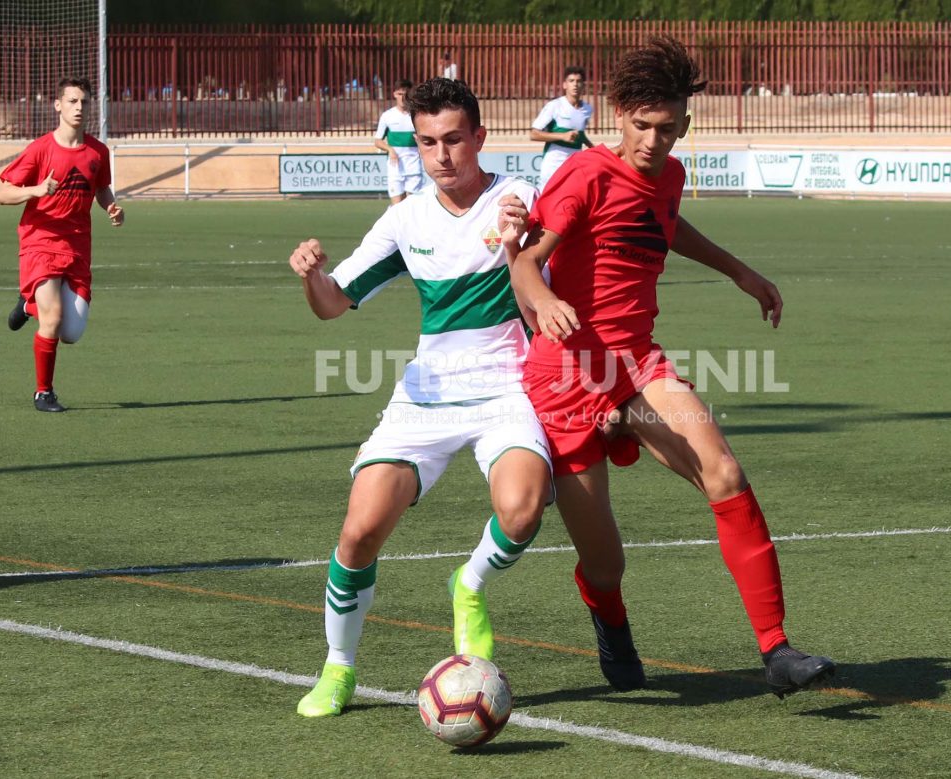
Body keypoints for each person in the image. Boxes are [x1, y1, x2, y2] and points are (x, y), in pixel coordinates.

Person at [508, 36, 836, 697]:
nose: (654, 141)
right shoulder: (581, 175)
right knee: (606, 560)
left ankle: (776, 649)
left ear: (685, 124)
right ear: (617, 114)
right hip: (567, 377)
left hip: (637, 365)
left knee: (724, 470)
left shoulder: (671, 175)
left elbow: (665, 223)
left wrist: (740, 271)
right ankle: (610, 618)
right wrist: (543, 298)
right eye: (642, 126)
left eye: (668, 128)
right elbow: (522, 258)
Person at [290, 78, 552, 718]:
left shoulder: (521, 197)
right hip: (426, 397)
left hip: (508, 390)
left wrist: (527, 240)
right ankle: (339, 669)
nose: (440, 155)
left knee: (521, 511)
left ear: (480, 138)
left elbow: (553, 271)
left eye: (453, 140)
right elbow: (332, 306)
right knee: (358, 533)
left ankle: (469, 583)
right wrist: (313, 274)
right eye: (427, 142)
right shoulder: (404, 219)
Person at [0, 76, 124, 413]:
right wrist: (34, 190)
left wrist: (111, 206)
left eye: (84, 102)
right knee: (52, 319)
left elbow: (100, 188)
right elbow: (3, 193)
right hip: (40, 240)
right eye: (72, 101)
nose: (79, 107)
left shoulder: (98, 151)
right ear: (58, 105)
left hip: (78, 246)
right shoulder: (40, 149)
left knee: (70, 332)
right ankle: (44, 393)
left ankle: (26, 307)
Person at [530, 66, 594, 191]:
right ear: (565, 85)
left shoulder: (587, 109)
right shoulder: (555, 106)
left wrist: (594, 148)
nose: (575, 84)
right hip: (553, 164)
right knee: (547, 201)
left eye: (578, 81)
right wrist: (562, 136)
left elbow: (580, 134)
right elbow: (534, 134)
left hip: (575, 164)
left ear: (583, 85)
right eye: (571, 81)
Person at [372, 79, 423, 204]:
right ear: (394, 94)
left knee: (412, 206)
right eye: (400, 94)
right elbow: (378, 141)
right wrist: (390, 150)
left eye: (405, 94)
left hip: (414, 167)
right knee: (397, 207)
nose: (402, 98)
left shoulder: (417, 115)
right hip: (395, 168)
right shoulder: (387, 116)